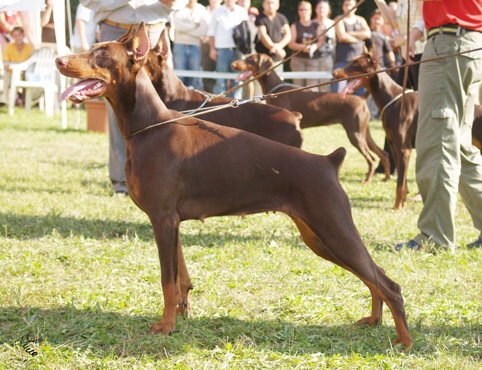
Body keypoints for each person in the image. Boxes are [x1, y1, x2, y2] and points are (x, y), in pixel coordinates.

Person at [396, 0, 482, 252]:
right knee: (461, 144)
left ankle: (436, 238)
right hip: (466, 42)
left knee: (439, 140)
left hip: (449, 44)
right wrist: (416, 32)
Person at [80, 0, 187, 195]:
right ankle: (122, 183)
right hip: (115, 33)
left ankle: (162, 176)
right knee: (118, 111)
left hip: (154, 35)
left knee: (162, 109)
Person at [207, 0, 248, 99]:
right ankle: (218, 106)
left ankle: (236, 106)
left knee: (237, 81)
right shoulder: (217, 11)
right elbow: (211, 32)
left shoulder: (242, 12)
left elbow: (247, 32)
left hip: (238, 51)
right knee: (220, 81)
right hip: (221, 51)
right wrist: (212, 49)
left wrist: (246, 51)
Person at [331, 0, 370, 95]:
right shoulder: (339, 19)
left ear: (355, 7)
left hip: (358, 62)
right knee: (338, 90)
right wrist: (359, 40)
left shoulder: (361, 19)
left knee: (359, 91)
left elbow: (368, 34)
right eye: (346, 5)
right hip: (343, 60)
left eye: (351, 5)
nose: (348, 7)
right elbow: (342, 37)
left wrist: (350, 34)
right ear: (343, 7)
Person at [172, 0, 209, 90]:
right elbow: (178, 25)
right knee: (179, 74)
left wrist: (186, 29)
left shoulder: (202, 9)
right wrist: (194, 25)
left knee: (194, 74)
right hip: (179, 44)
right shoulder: (178, 8)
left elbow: (204, 28)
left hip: (195, 45)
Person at [288, 1, 325, 89]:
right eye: (301, 9)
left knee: (312, 86)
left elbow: (321, 41)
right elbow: (291, 44)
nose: (304, 11)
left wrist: (314, 47)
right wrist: (303, 48)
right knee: (297, 86)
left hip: (313, 59)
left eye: (306, 9)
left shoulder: (316, 26)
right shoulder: (295, 25)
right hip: (298, 58)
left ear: (310, 11)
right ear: (298, 11)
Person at [1, 26, 33, 106]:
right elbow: (6, 64)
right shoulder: (8, 47)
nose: (17, 37)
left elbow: (31, 63)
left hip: (25, 72)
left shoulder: (29, 47)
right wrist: (16, 72)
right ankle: (3, 101)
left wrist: (22, 71)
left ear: (23, 35)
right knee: (6, 75)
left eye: (19, 35)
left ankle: (26, 99)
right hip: (11, 72)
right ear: (12, 37)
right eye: (15, 35)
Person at [254, 0, 290, 73]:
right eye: (268, 3)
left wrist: (279, 47)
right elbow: (263, 36)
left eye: (273, 3)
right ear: (263, 4)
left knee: (278, 82)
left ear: (278, 5)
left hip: (278, 59)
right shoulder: (259, 19)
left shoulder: (282, 18)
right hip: (263, 60)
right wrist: (277, 50)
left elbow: (288, 34)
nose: (270, 5)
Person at [313, 0, 335, 93]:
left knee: (325, 84)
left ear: (329, 10)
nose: (321, 10)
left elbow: (335, 42)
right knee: (313, 85)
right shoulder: (310, 23)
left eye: (324, 8)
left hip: (328, 57)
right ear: (315, 9)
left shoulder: (333, 23)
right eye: (319, 7)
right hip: (313, 58)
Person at [200, 0, 222, 93]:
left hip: (221, 46)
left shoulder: (224, 11)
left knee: (221, 75)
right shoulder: (202, 11)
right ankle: (208, 95)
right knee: (207, 73)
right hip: (206, 45)